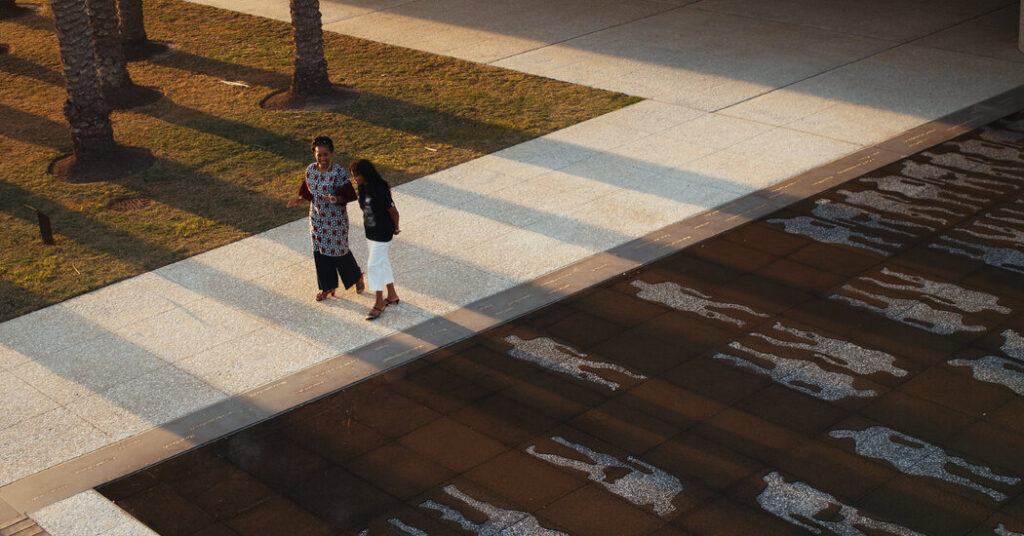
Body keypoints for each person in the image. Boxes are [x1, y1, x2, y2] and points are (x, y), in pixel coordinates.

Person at [287, 135, 364, 301]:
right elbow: (308, 192)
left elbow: (350, 196)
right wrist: (299, 200)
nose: (322, 158)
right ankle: (327, 286)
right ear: (314, 154)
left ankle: (356, 276)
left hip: (335, 220)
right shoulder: (310, 171)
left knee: (339, 252)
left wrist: (335, 199)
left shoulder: (338, 173)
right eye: (319, 154)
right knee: (320, 253)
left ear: (331, 153)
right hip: (317, 219)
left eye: (325, 154)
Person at [349, 159, 400, 320]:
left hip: (383, 232)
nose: (355, 179)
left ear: (365, 173)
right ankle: (392, 295)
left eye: (357, 175)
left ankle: (379, 302)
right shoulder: (363, 188)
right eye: (353, 176)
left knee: (373, 265)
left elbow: (394, 211)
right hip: (370, 232)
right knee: (382, 262)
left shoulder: (380, 188)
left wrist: (396, 227)